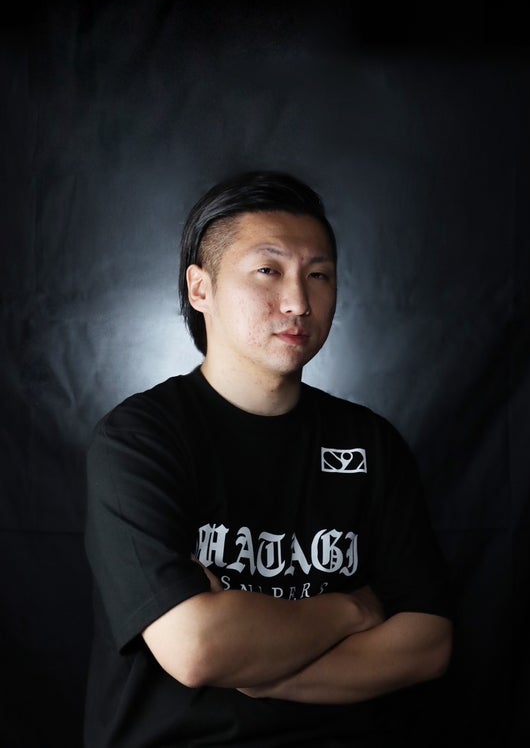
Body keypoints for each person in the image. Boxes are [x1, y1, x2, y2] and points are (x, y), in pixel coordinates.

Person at [84, 170, 453, 747]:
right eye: (268, 271)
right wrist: (350, 611)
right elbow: (197, 647)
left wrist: (260, 669)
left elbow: (428, 645)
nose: (299, 302)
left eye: (319, 275)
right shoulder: (140, 439)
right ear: (200, 289)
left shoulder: (371, 442)